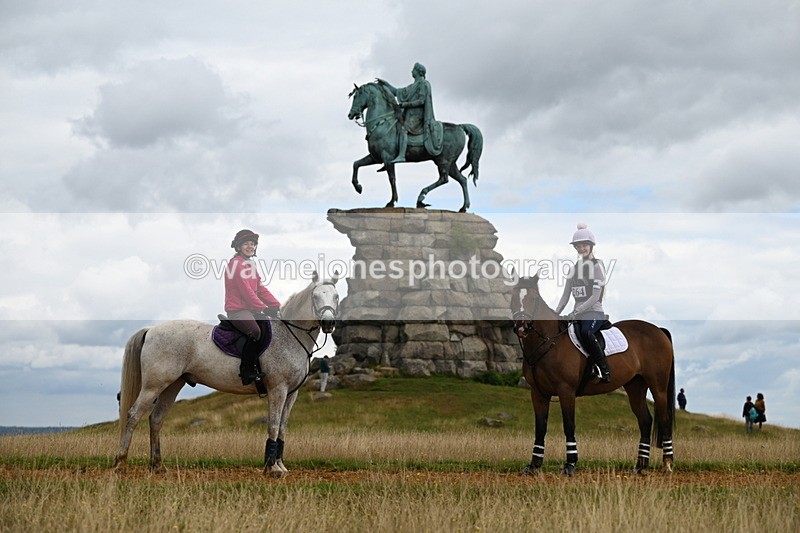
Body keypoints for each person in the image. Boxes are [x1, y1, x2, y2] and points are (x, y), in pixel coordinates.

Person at [555, 223, 611, 383]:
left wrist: (576, 312)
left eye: (584, 245)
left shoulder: (597, 266)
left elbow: (594, 297)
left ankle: (603, 369)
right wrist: (556, 313)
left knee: (586, 333)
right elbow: (565, 296)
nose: (581, 248)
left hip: (594, 313)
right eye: (578, 246)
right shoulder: (573, 268)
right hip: (577, 313)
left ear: (591, 246)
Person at [224, 229, 281, 385]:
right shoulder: (235, 265)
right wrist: (263, 307)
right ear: (239, 246)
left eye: (253, 244)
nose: (250, 246)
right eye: (246, 244)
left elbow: (260, 288)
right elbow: (246, 291)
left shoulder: (250, 265)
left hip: (251, 309)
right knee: (255, 332)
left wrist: (276, 305)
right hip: (237, 310)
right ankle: (247, 371)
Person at [375, 62, 441, 164]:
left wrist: (405, 105)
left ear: (418, 72)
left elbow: (421, 101)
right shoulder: (412, 86)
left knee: (403, 129)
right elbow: (397, 92)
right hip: (409, 114)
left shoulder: (423, 84)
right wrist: (386, 84)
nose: (411, 71)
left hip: (417, 116)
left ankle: (401, 155)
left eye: (413, 69)